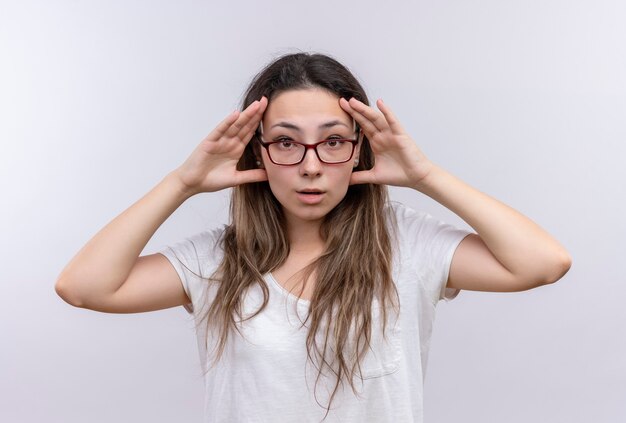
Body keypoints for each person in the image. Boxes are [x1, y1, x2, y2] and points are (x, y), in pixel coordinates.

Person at [55, 52, 572, 422]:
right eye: (285, 142)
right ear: (256, 152)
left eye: (332, 142)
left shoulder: (408, 245)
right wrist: (182, 183)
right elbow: (85, 287)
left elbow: (543, 263)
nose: (310, 167)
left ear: (358, 149)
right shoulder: (217, 258)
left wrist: (425, 175)